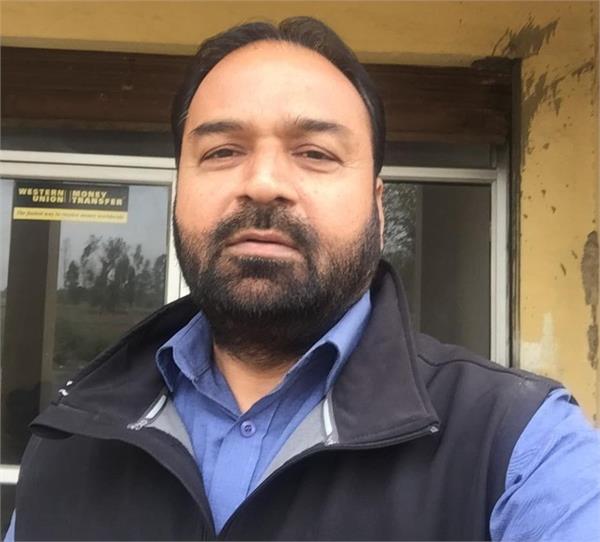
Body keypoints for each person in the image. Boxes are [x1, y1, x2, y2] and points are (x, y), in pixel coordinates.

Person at [7, 16, 600, 541]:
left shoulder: (520, 446)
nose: (263, 183)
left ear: (378, 206)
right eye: (222, 152)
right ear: (179, 191)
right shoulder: (69, 441)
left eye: (315, 153)